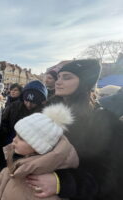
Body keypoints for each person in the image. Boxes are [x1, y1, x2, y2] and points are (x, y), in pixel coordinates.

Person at [26, 59, 123, 200]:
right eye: (59, 77)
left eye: (67, 77)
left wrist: (61, 183)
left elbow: (110, 176)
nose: (58, 82)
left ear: (85, 82)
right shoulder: (48, 112)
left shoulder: (104, 121)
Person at [0, 104, 78, 200]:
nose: (14, 140)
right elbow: (11, 173)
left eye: (21, 138)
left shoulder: (42, 183)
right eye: (16, 135)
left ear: (39, 146)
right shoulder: (25, 157)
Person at [0, 80, 48, 169]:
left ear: (41, 102)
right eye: (26, 100)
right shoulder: (13, 107)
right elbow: (3, 122)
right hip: (8, 146)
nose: (28, 104)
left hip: (29, 154)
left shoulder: (44, 114)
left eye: (33, 102)